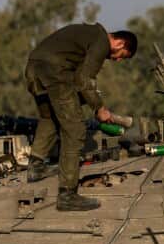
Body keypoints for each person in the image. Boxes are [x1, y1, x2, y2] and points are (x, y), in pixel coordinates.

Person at [24, 23, 136, 210]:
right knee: (75, 130)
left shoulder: (89, 34)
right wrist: (100, 108)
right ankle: (67, 195)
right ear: (119, 43)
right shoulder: (101, 41)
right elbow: (85, 80)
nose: (117, 60)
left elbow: (77, 80)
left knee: (50, 116)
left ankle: (36, 166)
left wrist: (91, 102)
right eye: (122, 56)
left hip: (34, 70)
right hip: (55, 72)